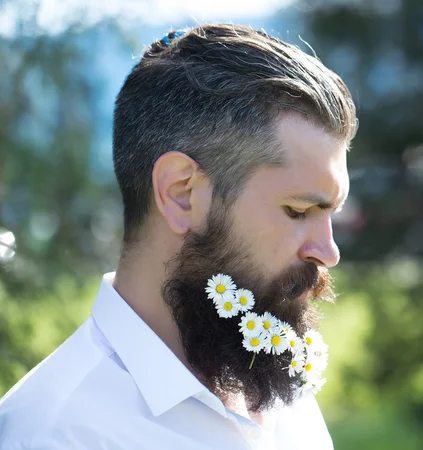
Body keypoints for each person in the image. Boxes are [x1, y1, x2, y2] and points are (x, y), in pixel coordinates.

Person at [0, 24, 357, 449]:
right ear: (182, 193)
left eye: (330, 214)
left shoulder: (284, 399)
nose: (329, 252)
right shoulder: (55, 434)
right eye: (298, 211)